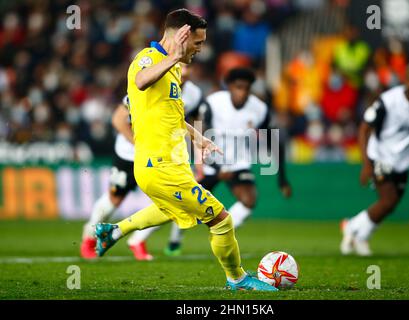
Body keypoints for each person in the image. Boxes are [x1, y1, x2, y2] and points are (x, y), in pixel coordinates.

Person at [94, 8, 277, 291]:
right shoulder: (147, 59)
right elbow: (141, 82)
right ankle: (237, 279)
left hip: (172, 163)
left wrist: (198, 138)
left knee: (176, 211)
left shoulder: (173, 70)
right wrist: (173, 57)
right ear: (183, 35)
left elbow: (175, 118)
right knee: (221, 219)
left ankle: (114, 231)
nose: (200, 49)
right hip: (157, 165)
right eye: (198, 42)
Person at [164, 67, 292, 256]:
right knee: (187, 204)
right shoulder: (214, 102)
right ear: (229, 87)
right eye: (239, 87)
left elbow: (275, 141)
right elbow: (198, 132)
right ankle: (175, 240)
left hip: (238, 163)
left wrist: (282, 179)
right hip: (210, 159)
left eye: (247, 89)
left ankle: (221, 235)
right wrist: (215, 166)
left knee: (249, 200)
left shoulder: (259, 108)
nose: (243, 93)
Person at [80, 71, 203, 260]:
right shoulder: (151, 84)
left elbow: (194, 123)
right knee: (115, 199)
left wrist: (199, 159)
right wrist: (140, 146)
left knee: (172, 200)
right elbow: (118, 120)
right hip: (130, 153)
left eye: (187, 73)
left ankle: (137, 240)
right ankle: (89, 238)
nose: (183, 76)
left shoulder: (193, 94)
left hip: (166, 154)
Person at [341, 62, 409, 256]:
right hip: (381, 155)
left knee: (391, 204)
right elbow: (364, 128)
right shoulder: (388, 101)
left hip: (405, 159)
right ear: (404, 81)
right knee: (388, 200)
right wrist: (366, 164)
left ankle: (357, 232)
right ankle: (354, 229)